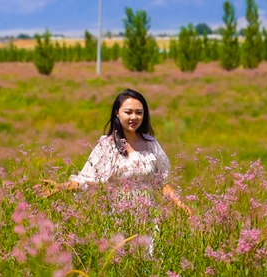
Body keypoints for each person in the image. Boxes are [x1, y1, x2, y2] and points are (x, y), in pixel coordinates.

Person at [35, 88, 191, 216]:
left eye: (139, 112)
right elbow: (86, 179)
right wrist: (60, 187)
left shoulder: (151, 145)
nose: (134, 117)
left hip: (149, 220)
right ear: (117, 113)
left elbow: (162, 183)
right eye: (128, 112)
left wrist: (181, 205)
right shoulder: (107, 146)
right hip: (119, 218)